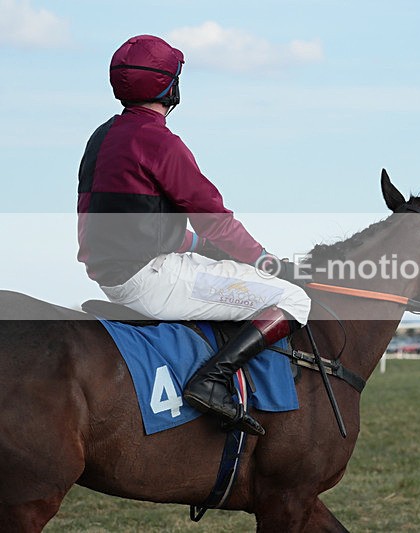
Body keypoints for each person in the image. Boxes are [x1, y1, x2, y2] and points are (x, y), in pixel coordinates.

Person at [77, 35, 310, 436]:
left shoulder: (101, 137)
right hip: (151, 278)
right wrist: (267, 262)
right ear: (170, 85)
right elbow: (214, 220)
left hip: (113, 273)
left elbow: (127, 222)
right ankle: (212, 379)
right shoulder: (161, 142)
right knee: (293, 297)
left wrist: (200, 247)